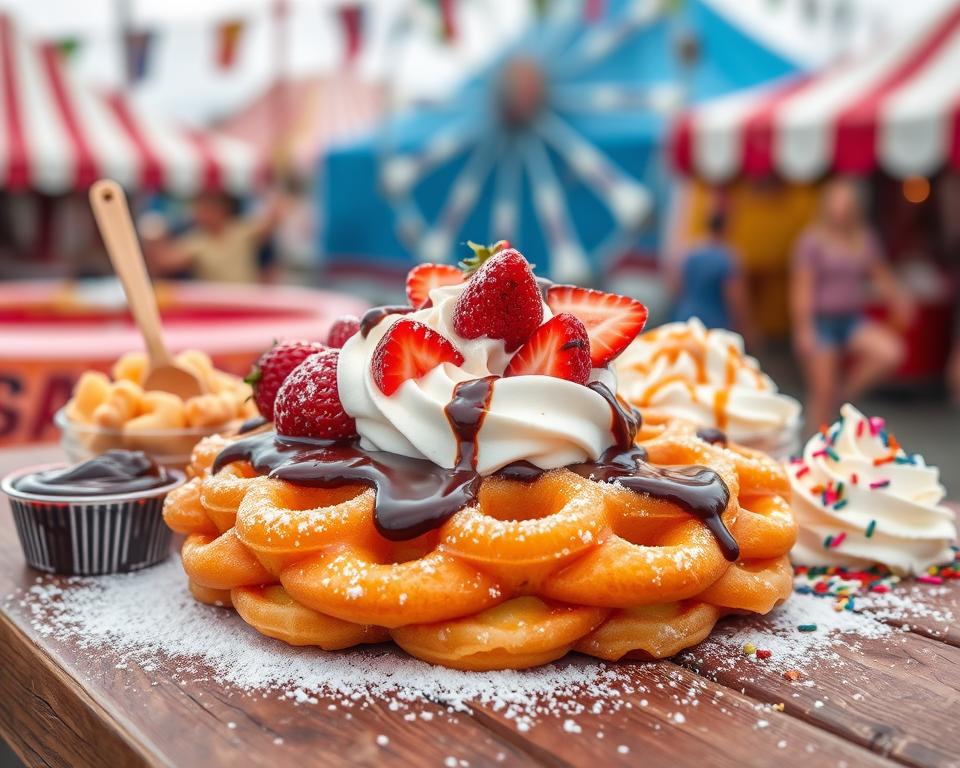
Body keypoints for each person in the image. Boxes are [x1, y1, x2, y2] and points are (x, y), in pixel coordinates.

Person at [790, 178, 912, 432]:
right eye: (836, 202)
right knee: (821, 391)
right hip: (821, 320)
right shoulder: (812, 241)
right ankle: (815, 445)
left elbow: (881, 273)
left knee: (890, 352)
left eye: (846, 203)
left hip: (851, 319)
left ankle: (845, 395)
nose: (841, 209)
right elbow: (802, 288)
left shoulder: (863, 238)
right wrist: (804, 328)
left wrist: (898, 298)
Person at [146, 191, 282, 284]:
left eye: (207, 209)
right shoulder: (196, 240)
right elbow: (165, 262)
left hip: (247, 302)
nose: (200, 213)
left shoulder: (240, 230)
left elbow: (272, 222)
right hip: (217, 306)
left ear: (222, 210)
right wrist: (153, 236)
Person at [669, 208, 755, 342]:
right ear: (726, 227)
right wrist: (747, 328)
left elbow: (676, 285)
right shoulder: (727, 257)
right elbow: (735, 297)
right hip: (714, 323)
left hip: (685, 317)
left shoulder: (690, 252)